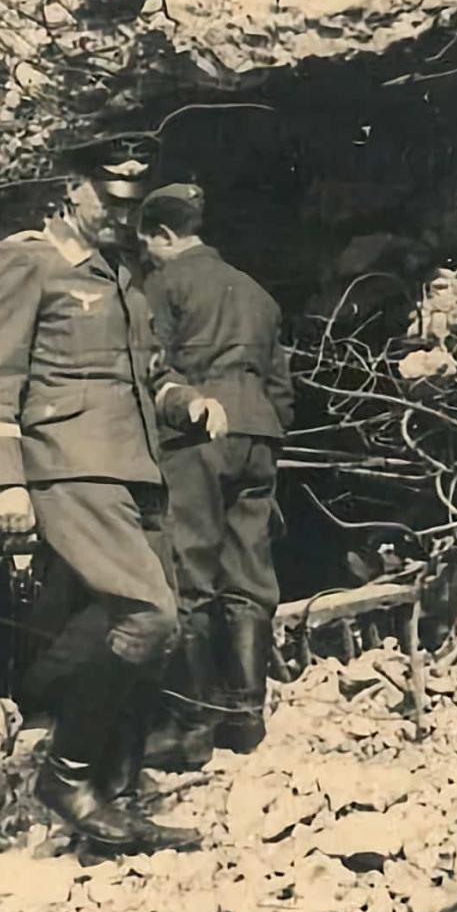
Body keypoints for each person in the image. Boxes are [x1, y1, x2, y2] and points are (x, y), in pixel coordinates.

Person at [0, 158, 227, 852]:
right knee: (148, 615)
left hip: (133, 473)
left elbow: (144, 374)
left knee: (143, 632)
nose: (120, 213)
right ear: (71, 189)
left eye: (131, 202)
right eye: (108, 198)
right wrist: (5, 480)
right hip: (68, 468)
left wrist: (185, 401)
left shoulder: (121, 275)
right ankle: (67, 774)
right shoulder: (29, 262)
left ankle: (116, 799)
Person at [135, 182, 294, 766]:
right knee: (249, 571)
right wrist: (262, 429)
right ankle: (245, 716)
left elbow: (150, 365)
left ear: (164, 235)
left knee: (189, 572)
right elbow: (282, 388)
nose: (146, 255)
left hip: (195, 433)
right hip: (258, 436)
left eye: (147, 243)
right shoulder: (257, 293)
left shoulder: (162, 284)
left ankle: (189, 726)